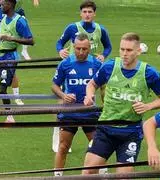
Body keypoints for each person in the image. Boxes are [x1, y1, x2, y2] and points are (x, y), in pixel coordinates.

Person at [82, 32, 160, 174]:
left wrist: (147, 106)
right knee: (87, 173)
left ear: (138, 51)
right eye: (122, 49)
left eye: (129, 50)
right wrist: (89, 95)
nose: (124, 54)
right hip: (105, 129)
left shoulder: (149, 73)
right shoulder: (109, 67)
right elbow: (92, 84)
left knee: (124, 176)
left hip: (130, 133)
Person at [53, 0, 112, 153]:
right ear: (80, 13)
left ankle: (103, 121)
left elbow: (108, 46)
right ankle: (58, 134)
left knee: (100, 94)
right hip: (73, 67)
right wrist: (60, 51)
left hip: (92, 68)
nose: (87, 14)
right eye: (84, 12)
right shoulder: (72, 28)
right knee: (65, 97)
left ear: (94, 13)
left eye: (90, 12)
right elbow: (59, 43)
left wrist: (103, 56)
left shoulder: (100, 29)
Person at [52, 33, 101, 177]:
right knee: (63, 147)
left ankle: (101, 175)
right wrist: (63, 95)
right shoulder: (65, 64)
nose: (81, 52)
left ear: (89, 47)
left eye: (84, 49)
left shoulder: (97, 64)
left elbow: (104, 86)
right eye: (78, 48)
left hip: (91, 113)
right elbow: (55, 85)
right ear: (73, 47)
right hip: (69, 113)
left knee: (98, 148)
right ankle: (57, 176)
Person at [0, 0, 34, 123]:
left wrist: (12, 38)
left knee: (2, 90)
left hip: (10, 58)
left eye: (3, 4)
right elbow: (4, 35)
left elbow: (31, 40)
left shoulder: (20, 21)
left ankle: (10, 117)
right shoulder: (3, 18)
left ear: (10, 5)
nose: (0, 6)